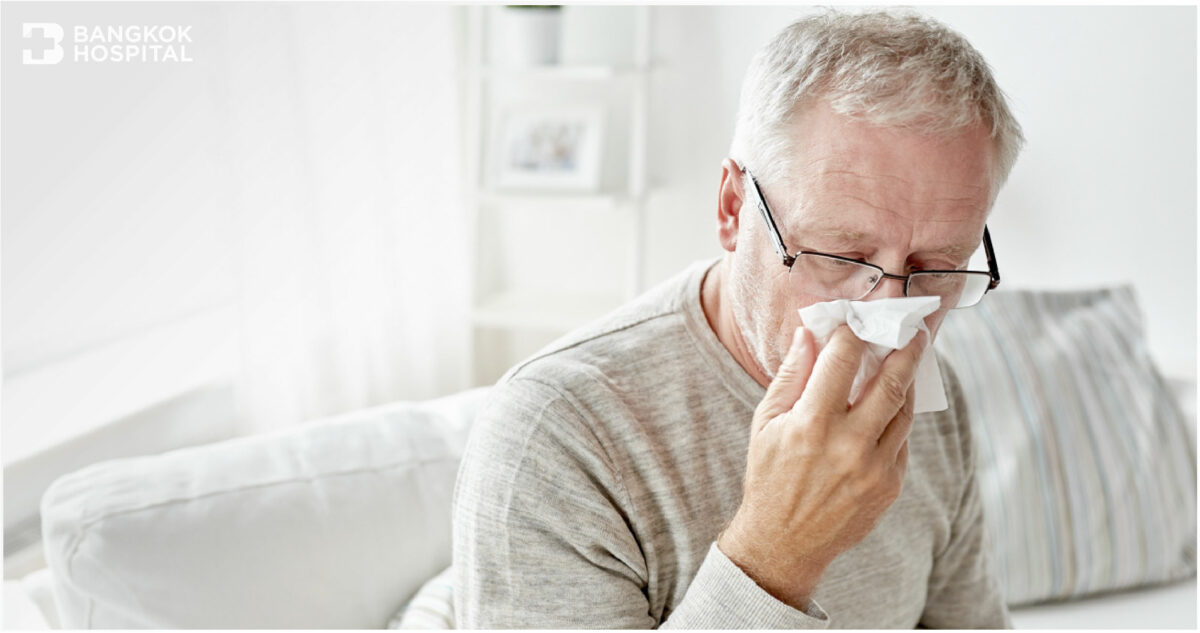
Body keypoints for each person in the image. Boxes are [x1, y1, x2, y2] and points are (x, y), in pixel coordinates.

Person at [453, 8, 1024, 628]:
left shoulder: (925, 401)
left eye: (936, 268)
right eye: (842, 255)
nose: (886, 317)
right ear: (732, 208)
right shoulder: (556, 438)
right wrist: (777, 556)